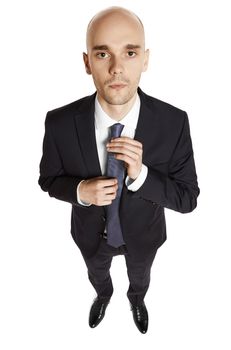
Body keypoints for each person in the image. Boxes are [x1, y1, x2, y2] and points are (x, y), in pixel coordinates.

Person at [38, 6, 200, 334]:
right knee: (97, 273)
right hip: (89, 235)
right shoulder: (58, 123)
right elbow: (48, 179)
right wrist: (80, 191)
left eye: (129, 52)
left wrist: (142, 175)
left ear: (145, 59)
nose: (116, 68)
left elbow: (188, 198)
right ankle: (104, 295)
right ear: (87, 62)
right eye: (102, 54)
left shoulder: (174, 122)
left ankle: (136, 299)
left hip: (144, 235)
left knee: (140, 275)